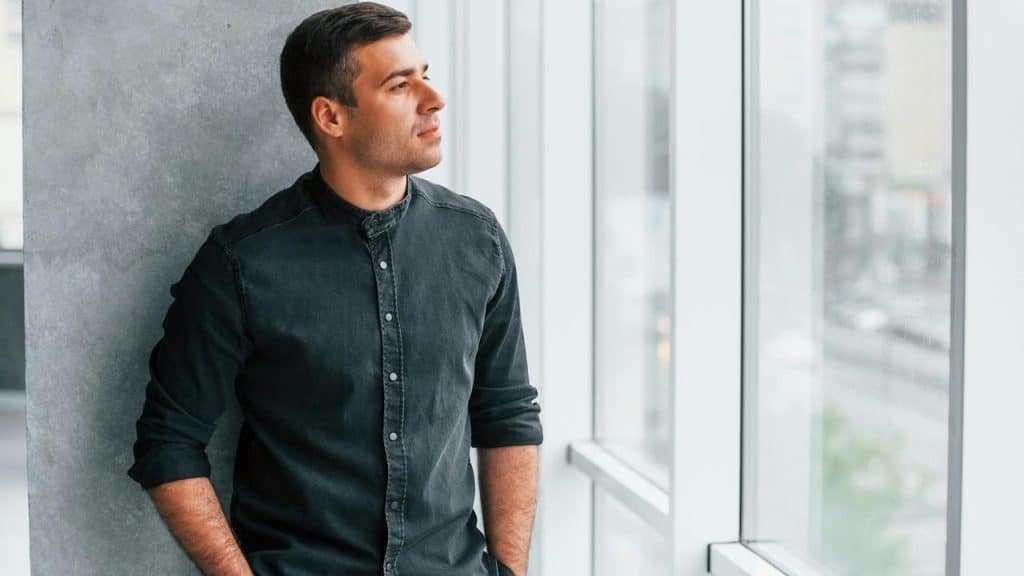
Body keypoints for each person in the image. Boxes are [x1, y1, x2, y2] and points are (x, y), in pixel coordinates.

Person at [126, 4, 542, 575]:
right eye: (400, 85)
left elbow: (508, 414)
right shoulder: (242, 262)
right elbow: (168, 443)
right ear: (331, 116)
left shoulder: (478, 239)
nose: (433, 98)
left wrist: (510, 571)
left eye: (425, 73)